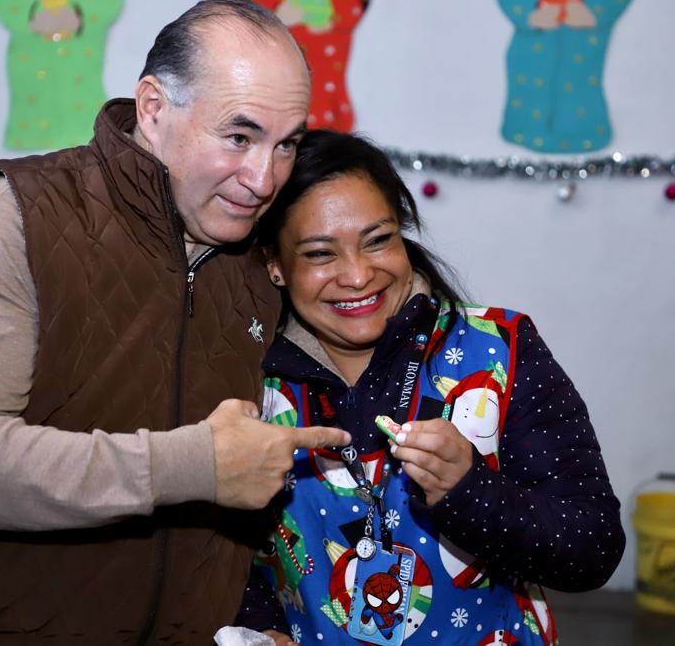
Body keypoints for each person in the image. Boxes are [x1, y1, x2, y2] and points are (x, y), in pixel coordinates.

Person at [0, 0, 352, 645]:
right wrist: (195, 464)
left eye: (286, 143)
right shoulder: (13, 215)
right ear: (152, 108)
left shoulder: (257, 260)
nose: (264, 178)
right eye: (239, 137)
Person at [237, 130, 625, 644]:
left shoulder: (500, 351)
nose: (358, 275)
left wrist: (470, 491)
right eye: (320, 254)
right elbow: (223, 555)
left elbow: (592, 549)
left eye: (378, 239)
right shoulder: (246, 381)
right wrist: (260, 625)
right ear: (274, 264)